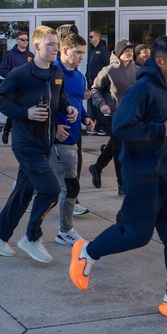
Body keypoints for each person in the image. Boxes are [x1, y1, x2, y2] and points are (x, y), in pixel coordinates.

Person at [68, 36, 167, 324]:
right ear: (160, 61)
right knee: (135, 234)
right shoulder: (143, 87)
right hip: (143, 174)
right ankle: (87, 251)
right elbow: (121, 125)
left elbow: (161, 125)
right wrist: (161, 128)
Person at [0, 26, 77, 262]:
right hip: (26, 144)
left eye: (56, 45)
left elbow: (61, 97)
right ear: (36, 46)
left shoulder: (56, 73)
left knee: (23, 193)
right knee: (50, 189)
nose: (55, 49)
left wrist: (68, 108)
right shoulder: (20, 74)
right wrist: (24, 112)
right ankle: (32, 237)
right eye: (50, 45)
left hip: (45, 143)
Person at [52, 32, 95, 246]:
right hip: (56, 138)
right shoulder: (52, 73)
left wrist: (86, 119)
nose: (81, 57)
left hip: (74, 136)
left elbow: (77, 102)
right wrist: (54, 129)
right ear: (65, 50)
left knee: (61, 184)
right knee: (69, 187)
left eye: (83, 53)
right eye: (78, 52)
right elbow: (42, 105)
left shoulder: (79, 76)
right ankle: (65, 231)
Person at [89, 39, 138, 195]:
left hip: (132, 116)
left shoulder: (138, 70)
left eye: (131, 50)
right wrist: (102, 104)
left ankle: (97, 167)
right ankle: (122, 184)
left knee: (119, 146)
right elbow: (95, 90)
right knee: (118, 148)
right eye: (125, 50)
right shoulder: (108, 70)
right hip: (114, 115)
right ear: (118, 52)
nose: (129, 52)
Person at [0, 30, 33, 145]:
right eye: (22, 39)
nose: (25, 42)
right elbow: (2, 70)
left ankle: (26, 134)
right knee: (16, 111)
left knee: (26, 110)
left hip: (27, 89)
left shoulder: (30, 55)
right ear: (17, 40)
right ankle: (7, 129)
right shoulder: (10, 55)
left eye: (27, 40)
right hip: (15, 89)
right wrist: (14, 77)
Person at [85, 29, 111, 135]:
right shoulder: (91, 51)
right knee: (93, 104)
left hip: (100, 84)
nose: (89, 39)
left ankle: (103, 126)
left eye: (91, 37)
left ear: (98, 37)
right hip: (91, 82)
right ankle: (97, 125)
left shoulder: (103, 50)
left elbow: (108, 65)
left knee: (100, 104)